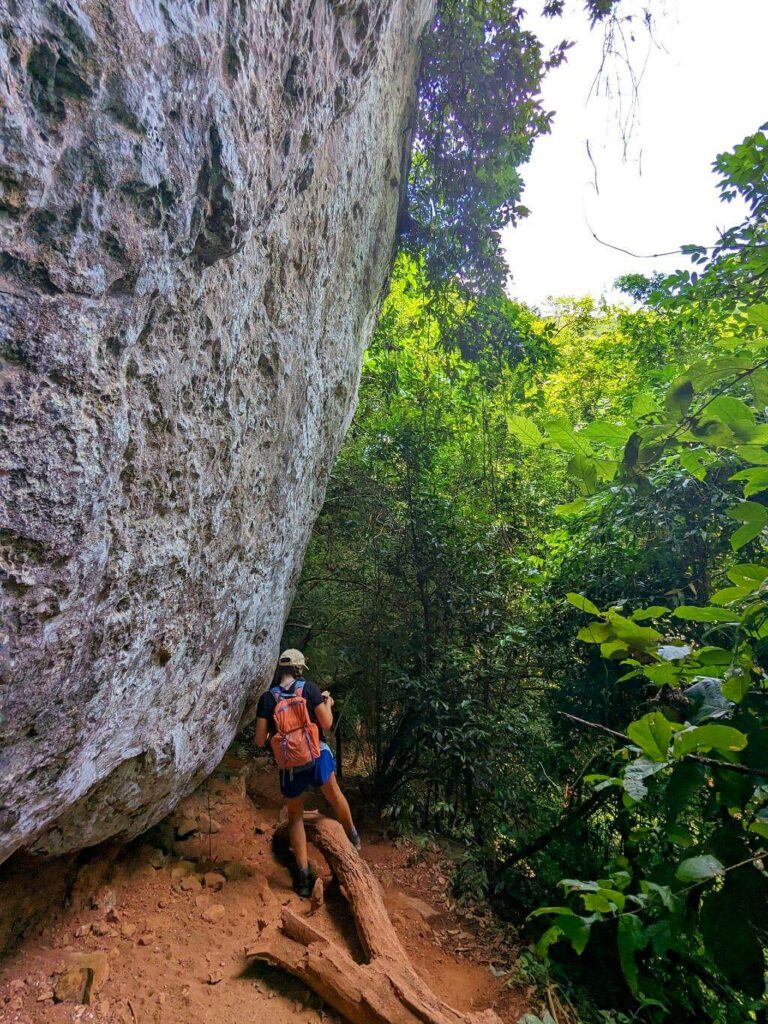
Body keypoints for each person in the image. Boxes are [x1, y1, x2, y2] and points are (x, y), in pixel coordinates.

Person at [255, 648, 361, 896]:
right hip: (316, 756)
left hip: (290, 766)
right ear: (299, 669)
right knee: (334, 795)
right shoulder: (310, 689)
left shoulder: (268, 699)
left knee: (295, 817)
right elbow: (326, 724)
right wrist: (328, 705)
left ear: (280, 670)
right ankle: (353, 838)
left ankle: (303, 879)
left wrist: (279, 737)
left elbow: (260, 740)